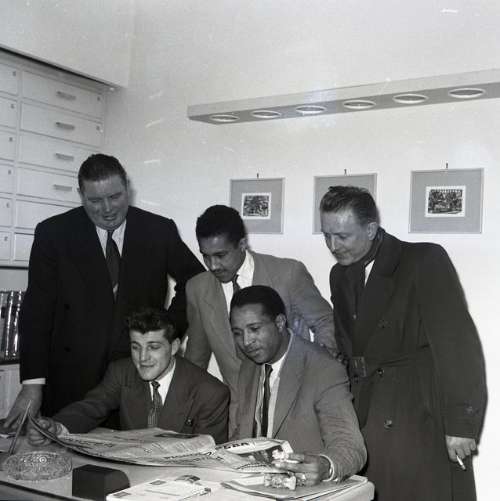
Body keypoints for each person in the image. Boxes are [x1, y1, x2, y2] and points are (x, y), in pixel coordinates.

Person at [6, 154, 204, 427]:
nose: (107, 209)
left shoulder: (158, 230)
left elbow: (196, 280)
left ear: (127, 189)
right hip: (69, 382)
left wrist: (167, 330)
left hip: (135, 377)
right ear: (81, 195)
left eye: (115, 196)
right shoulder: (53, 234)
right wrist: (32, 384)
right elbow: (36, 312)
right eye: (95, 200)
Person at [319, 185, 487, 501]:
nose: (332, 246)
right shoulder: (338, 275)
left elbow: (458, 347)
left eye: (342, 236)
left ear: (371, 229)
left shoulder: (423, 260)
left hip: (416, 413)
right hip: (365, 411)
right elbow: (348, 348)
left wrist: (461, 425)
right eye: (326, 235)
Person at [184, 204, 336, 431]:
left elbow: (325, 321)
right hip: (238, 418)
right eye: (205, 256)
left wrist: (317, 378)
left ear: (242, 244)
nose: (213, 265)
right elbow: (195, 360)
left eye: (221, 255)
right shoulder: (197, 288)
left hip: (296, 410)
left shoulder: (288, 274)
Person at [28, 307, 229, 446]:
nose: (142, 358)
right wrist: (56, 427)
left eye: (153, 347)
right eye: (136, 347)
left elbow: (207, 456)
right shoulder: (121, 372)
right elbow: (92, 406)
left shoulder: (211, 393)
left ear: (174, 347)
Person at [230, 285, 366, 486]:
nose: (246, 341)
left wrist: (327, 466)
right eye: (237, 333)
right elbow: (241, 434)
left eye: (255, 329)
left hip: (304, 488)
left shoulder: (323, 368)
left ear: (279, 322)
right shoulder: (248, 367)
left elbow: (350, 445)